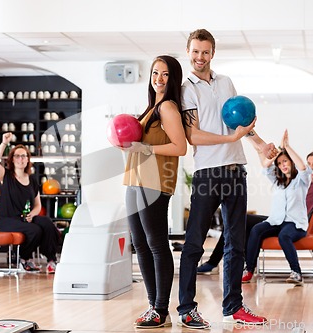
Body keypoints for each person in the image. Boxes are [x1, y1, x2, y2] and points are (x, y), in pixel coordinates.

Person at [177, 28, 277, 329]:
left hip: (236, 170)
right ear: (188, 52)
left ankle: (233, 307)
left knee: (236, 243)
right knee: (195, 242)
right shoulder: (187, 89)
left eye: (205, 52)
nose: (199, 57)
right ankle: (186, 309)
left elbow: (238, 121)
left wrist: (260, 144)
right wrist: (229, 137)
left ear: (213, 53)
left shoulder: (225, 82)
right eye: (195, 51)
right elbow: (192, 134)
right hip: (208, 174)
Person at [198, 136, 313, 280]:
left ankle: (250, 267)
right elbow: (268, 166)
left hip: (295, 223)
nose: (312, 166)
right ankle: (221, 263)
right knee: (241, 221)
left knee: (256, 228)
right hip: (279, 220)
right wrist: (260, 146)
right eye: (309, 163)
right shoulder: (287, 181)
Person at [122, 55, 187, 328]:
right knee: (140, 245)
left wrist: (145, 149)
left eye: (165, 74)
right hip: (135, 180)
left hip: (155, 182)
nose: (158, 79)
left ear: (173, 79)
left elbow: (180, 147)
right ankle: (153, 306)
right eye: (155, 73)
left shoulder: (168, 108)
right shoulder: (152, 107)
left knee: (157, 246)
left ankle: (161, 308)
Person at [243, 130, 312, 286]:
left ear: (291, 162)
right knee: (256, 230)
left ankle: (296, 273)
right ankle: (249, 270)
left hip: (295, 224)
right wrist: (276, 151)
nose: (283, 165)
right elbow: (265, 166)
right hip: (276, 221)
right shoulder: (277, 182)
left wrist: (287, 147)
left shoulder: (302, 181)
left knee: (284, 236)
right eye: (280, 164)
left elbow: (302, 167)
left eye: (285, 162)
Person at [0, 134, 60, 273]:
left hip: (23, 218)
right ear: (12, 159)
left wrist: (32, 215)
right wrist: (4, 143)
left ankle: (51, 260)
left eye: (23, 156)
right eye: (17, 156)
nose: (20, 159)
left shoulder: (32, 180)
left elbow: (37, 205)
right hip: (5, 220)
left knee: (46, 222)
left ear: (28, 159)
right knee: (34, 230)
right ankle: (22, 259)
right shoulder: (5, 176)